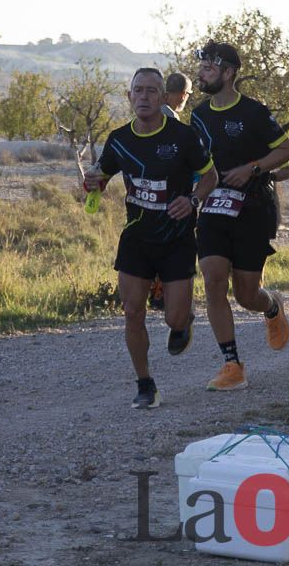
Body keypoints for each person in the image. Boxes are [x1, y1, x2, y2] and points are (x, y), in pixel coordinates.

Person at [83, 67, 217, 409]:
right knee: (132, 312)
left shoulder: (183, 137)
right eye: (138, 91)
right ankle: (145, 385)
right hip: (137, 236)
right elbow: (102, 175)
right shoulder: (119, 138)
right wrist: (92, 183)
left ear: (163, 98)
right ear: (129, 97)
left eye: (151, 91)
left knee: (173, 318)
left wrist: (193, 200)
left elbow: (210, 175)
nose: (144, 97)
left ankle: (183, 320)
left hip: (176, 237)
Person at [190, 41, 289, 391]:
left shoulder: (253, 111)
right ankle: (232, 365)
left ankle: (271, 307)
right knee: (214, 278)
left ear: (229, 72)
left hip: (254, 207)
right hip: (215, 208)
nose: (202, 73)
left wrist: (252, 168)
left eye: (209, 67)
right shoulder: (199, 115)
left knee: (246, 296)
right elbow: (196, 162)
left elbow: (286, 150)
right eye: (201, 66)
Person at [149, 71, 196, 311]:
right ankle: (167, 295)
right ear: (181, 95)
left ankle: (160, 292)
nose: (187, 98)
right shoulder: (171, 120)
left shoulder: (151, 115)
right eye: (187, 94)